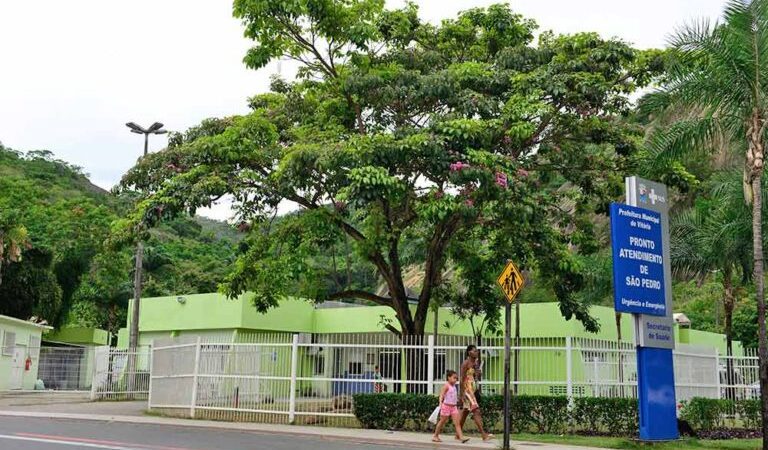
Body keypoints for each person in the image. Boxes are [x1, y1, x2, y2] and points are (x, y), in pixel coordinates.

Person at [459, 344, 493, 441]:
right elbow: (462, 379)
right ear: (469, 352)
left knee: (465, 412)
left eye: (477, 351)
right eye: (475, 351)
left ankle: (458, 433)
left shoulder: (476, 363)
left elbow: (475, 377)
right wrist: (461, 395)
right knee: (476, 411)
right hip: (467, 390)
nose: (477, 352)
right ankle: (483, 434)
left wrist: (478, 374)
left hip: (473, 389)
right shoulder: (466, 363)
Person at [432, 370, 469, 443]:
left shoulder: (454, 386)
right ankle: (435, 436)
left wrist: (459, 399)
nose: (455, 380)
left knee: (457, 423)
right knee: (442, 422)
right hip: (446, 407)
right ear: (449, 377)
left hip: (453, 407)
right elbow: (441, 395)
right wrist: (440, 403)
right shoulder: (446, 386)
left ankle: (461, 437)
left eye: (456, 378)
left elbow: (453, 396)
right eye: (454, 378)